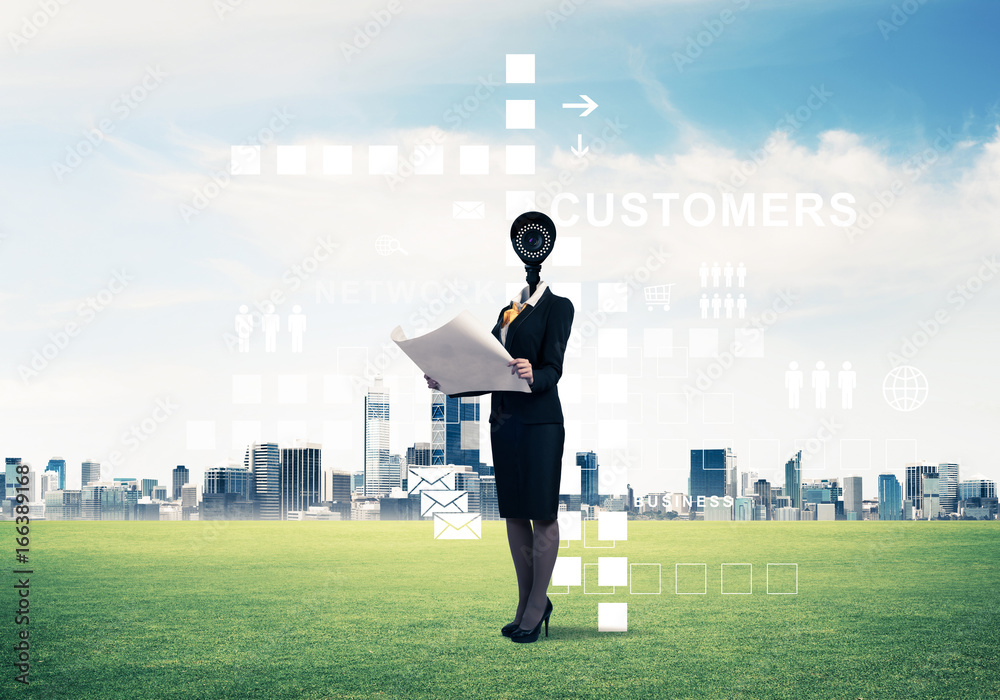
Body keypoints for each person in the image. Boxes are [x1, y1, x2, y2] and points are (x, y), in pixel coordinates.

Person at [425, 279, 573, 643]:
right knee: (515, 514)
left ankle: (539, 603)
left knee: (543, 513)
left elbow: (554, 367)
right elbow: (487, 371)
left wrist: (533, 373)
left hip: (541, 423)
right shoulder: (507, 313)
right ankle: (524, 603)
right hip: (504, 425)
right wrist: (448, 383)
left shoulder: (559, 306)